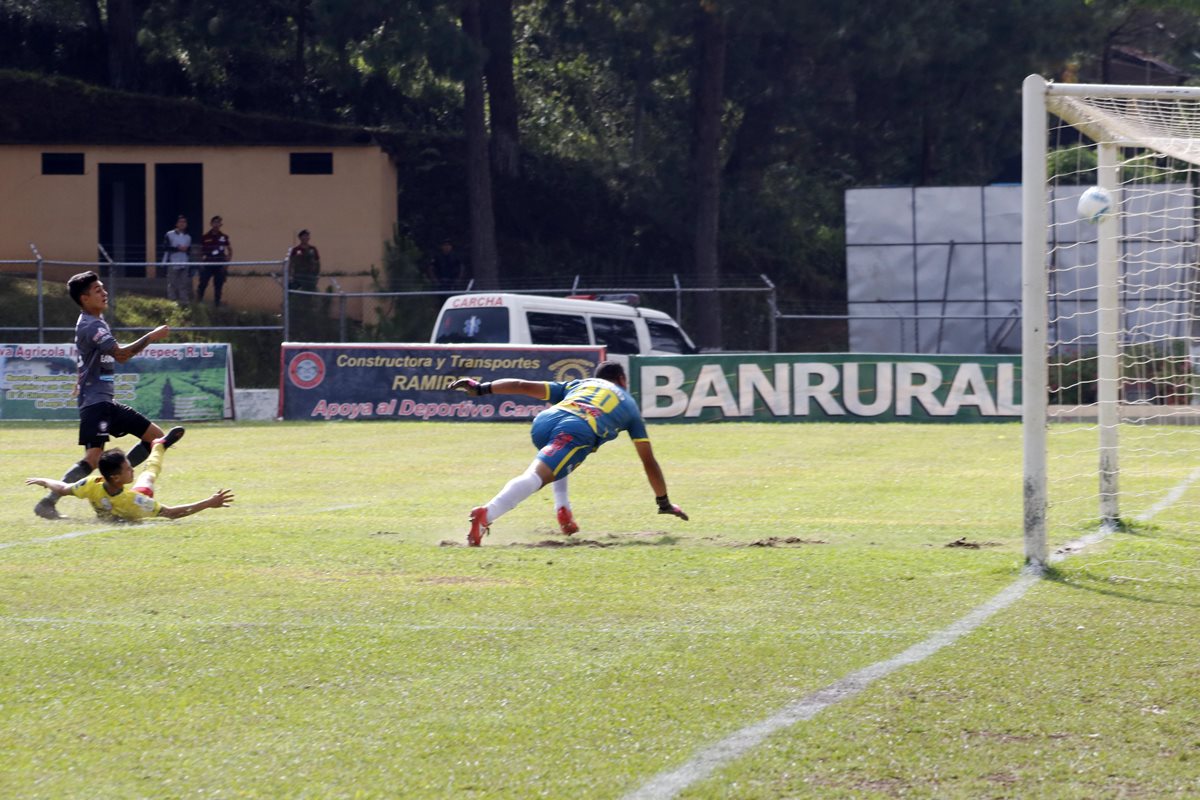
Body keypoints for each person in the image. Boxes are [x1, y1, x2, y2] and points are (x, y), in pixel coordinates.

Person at [450, 360, 688, 546]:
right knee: (539, 474)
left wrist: (480, 389)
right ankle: (487, 513)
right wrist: (663, 502)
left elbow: (522, 386)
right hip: (578, 428)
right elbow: (648, 461)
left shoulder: (580, 384)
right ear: (623, 380)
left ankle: (562, 508)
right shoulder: (629, 405)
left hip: (544, 422)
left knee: (561, 459)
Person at [33, 270, 173, 520]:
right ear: (85, 298)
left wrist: (82, 379)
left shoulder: (93, 321)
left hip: (101, 401)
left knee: (154, 439)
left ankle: (110, 482)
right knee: (97, 456)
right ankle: (51, 501)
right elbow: (120, 355)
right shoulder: (91, 325)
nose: (104, 292)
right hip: (97, 403)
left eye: (103, 288)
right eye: (98, 290)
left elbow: (91, 358)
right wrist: (152, 336)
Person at [26, 433, 235, 522]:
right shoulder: (100, 487)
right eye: (127, 469)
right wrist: (209, 503)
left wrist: (44, 480)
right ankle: (159, 445)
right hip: (131, 500)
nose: (131, 471)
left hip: (134, 500)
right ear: (115, 477)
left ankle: (159, 446)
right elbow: (171, 514)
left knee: (148, 475)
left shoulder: (96, 484)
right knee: (147, 476)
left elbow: (62, 488)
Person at [198, 215, 232, 307]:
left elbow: (229, 250)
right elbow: (201, 252)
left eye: (218, 222)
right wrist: (201, 263)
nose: (216, 224)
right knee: (203, 283)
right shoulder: (205, 237)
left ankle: (217, 304)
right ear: (211, 224)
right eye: (215, 222)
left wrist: (226, 264)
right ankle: (198, 301)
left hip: (220, 264)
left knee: (218, 285)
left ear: (221, 224)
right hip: (208, 263)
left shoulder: (224, 237)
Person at [163, 215, 193, 303]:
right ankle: (172, 302)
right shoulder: (169, 234)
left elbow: (189, 249)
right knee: (172, 283)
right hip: (172, 262)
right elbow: (165, 247)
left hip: (184, 262)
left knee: (183, 283)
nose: (182, 224)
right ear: (176, 224)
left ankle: (184, 302)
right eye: (180, 222)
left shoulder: (188, 237)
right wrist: (178, 249)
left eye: (184, 222)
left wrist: (186, 249)